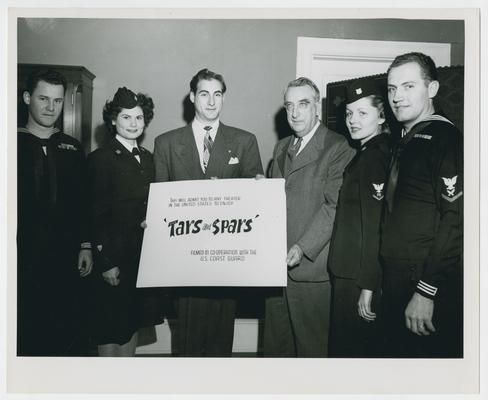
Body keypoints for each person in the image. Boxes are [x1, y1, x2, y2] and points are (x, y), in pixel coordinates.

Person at [153, 68, 264, 357]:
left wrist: (234, 190)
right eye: (204, 94)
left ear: (223, 98)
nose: (211, 102)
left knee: (220, 341)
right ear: (192, 97)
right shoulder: (165, 144)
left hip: (225, 257)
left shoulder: (244, 140)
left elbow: (256, 201)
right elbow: (159, 204)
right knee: (188, 341)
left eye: (217, 94)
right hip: (184, 258)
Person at [264, 77, 355, 357]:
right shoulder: (281, 147)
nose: (295, 113)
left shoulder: (338, 147)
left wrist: (303, 247)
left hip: (311, 271)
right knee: (277, 352)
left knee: (311, 352)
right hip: (274, 271)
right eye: (289, 105)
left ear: (317, 107)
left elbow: (334, 205)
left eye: (303, 104)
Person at [380, 52, 463, 358]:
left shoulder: (445, 138)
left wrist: (426, 291)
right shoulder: (407, 139)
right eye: (392, 88)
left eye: (408, 86)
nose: (397, 97)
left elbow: (455, 221)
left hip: (424, 282)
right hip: (397, 280)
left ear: (432, 89)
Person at [17, 68, 93, 356]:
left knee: (64, 327)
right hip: (23, 255)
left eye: (58, 101)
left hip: (64, 256)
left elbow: (83, 204)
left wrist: (85, 245)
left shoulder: (71, 148)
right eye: (43, 99)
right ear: (27, 98)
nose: (51, 108)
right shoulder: (12, 144)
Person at [87, 87, 163, 357]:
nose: (133, 124)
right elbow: (95, 215)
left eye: (139, 118)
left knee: (131, 324)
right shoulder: (101, 159)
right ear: (113, 121)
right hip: (115, 258)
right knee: (110, 328)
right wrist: (107, 262)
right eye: (126, 117)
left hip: (140, 258)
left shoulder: (150, 158)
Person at [327, 78, 391, 358]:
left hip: (357, 277)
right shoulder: (364, 153)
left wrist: (368, 285)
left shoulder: (376, 157)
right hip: (348, 271)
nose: (353, 120)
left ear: (381, 116)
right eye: (349, 113)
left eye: (363, 113)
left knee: (351, 353)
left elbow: (375, 226)